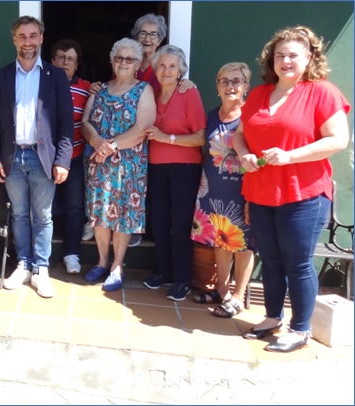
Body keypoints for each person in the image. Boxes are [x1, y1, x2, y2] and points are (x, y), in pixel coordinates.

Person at [234, 26, 350, 352]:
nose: (285, 61)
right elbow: (239, 135)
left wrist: (290, 156)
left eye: (293, 55)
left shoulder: (322, 92)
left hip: (304, 194)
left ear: (309, 57)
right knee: (270, 259)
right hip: (260, 192)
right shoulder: (259, 94)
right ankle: (273, 318)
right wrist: (244, 155)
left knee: (297, 263)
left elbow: (338, 140)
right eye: (280, 55)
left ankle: (301, 329)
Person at [87, 13, 196, 248]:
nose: (147, 38)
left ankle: (133, 231)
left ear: (160, 39)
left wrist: (186, 81)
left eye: (153, 34)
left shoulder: (163, 65)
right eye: (143, 33)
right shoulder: (127, 62)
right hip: (137, 142)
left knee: (139, 194)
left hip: (152, 142)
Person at [0, 15, 73, 298]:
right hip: (12, 157)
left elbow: (66, 123)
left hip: (42, 157)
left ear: (41, 39)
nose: (28, 42)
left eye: (33, 36)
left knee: (43, 216)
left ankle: (41, 270)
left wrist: (63, 160)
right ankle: (23, 264)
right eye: (22, 37)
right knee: (19, 214)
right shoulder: (1, 76)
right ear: (14, 40)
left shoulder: (55, 76)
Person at [81, 38, 156, 290]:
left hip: (128, 166)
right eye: (119, 58)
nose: (123, 62)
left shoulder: (143, 89)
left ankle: (117, 266)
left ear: (137, 63)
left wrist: (109, 146)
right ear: (112, 61)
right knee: (100, 214)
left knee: (122, 216)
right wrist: (96, 140)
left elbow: (143, 128)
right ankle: (102, 262)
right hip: (99, 163)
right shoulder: (99, 89)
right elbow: (85, 122)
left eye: (129, 59)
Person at [141, 44, 206, 301]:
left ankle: (182, 279)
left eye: (172, 66)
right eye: (162, 65)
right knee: (159, 223)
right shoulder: (153, 94)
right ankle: (164, 271)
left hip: (184, 169)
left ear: (181, 70)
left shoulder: (188, 93)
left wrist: (166, 137)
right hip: (156, 168)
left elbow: (200, 137)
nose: (166, 70)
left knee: (180, 225)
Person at [190, 62, 255, 317]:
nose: (230, 86)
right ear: (217, 87)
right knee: (220, 239)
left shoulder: (250, 116)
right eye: (224, 81)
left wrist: (251, 198)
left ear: (246, 87)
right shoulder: (212, 115)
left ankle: (238, 297)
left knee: (243, 245)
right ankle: (221, 290)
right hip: (212, 189)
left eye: (236, 81)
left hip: (242, 191)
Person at [50, 39, 91, 274]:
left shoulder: (87, 88)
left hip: (75, 156)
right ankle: (41, 256)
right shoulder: (43, 84)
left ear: (76, 65)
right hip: (46, 157)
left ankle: (71, 253)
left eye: (70, 59)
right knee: (47, 207)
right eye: (61, 58)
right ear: (53, 61)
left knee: (75, 207)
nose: (65, 63)